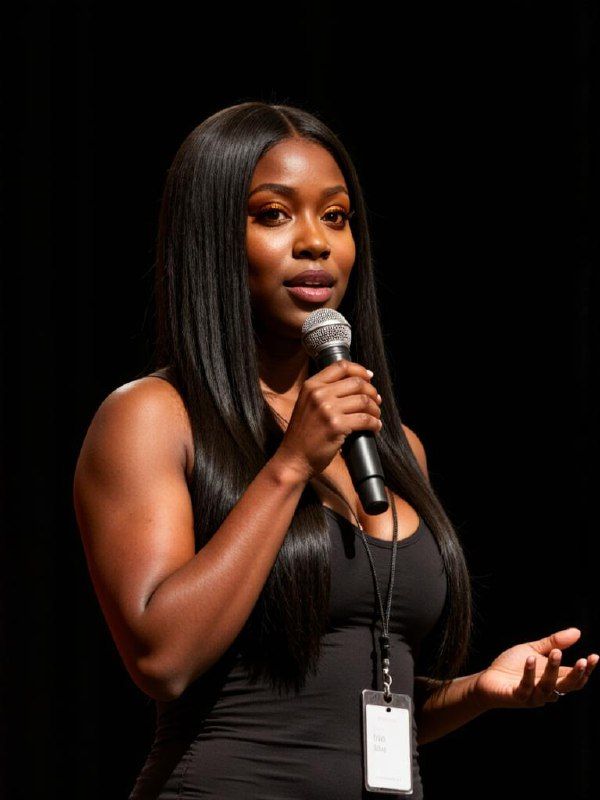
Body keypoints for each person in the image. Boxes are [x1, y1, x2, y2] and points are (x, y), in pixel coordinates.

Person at [73, 101, 598, 799]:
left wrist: (479, 691)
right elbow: (162, 658)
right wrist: (289, 464)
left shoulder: (390, 443)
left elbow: (356, 704)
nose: (316, 243)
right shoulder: (152, 417)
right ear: (212, 238)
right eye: (274, 214)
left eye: (337, 216)